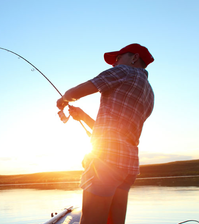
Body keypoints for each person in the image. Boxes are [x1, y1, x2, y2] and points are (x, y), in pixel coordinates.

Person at [56, 43, 155, 224]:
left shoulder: (124, 71)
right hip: (128, 165)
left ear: (134, 58)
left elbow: (74, 93)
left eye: (118, 58)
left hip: (106, 161)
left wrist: (63, 99)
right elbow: (116, 131)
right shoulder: (149, 92)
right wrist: (84, 116)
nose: (114, 64)